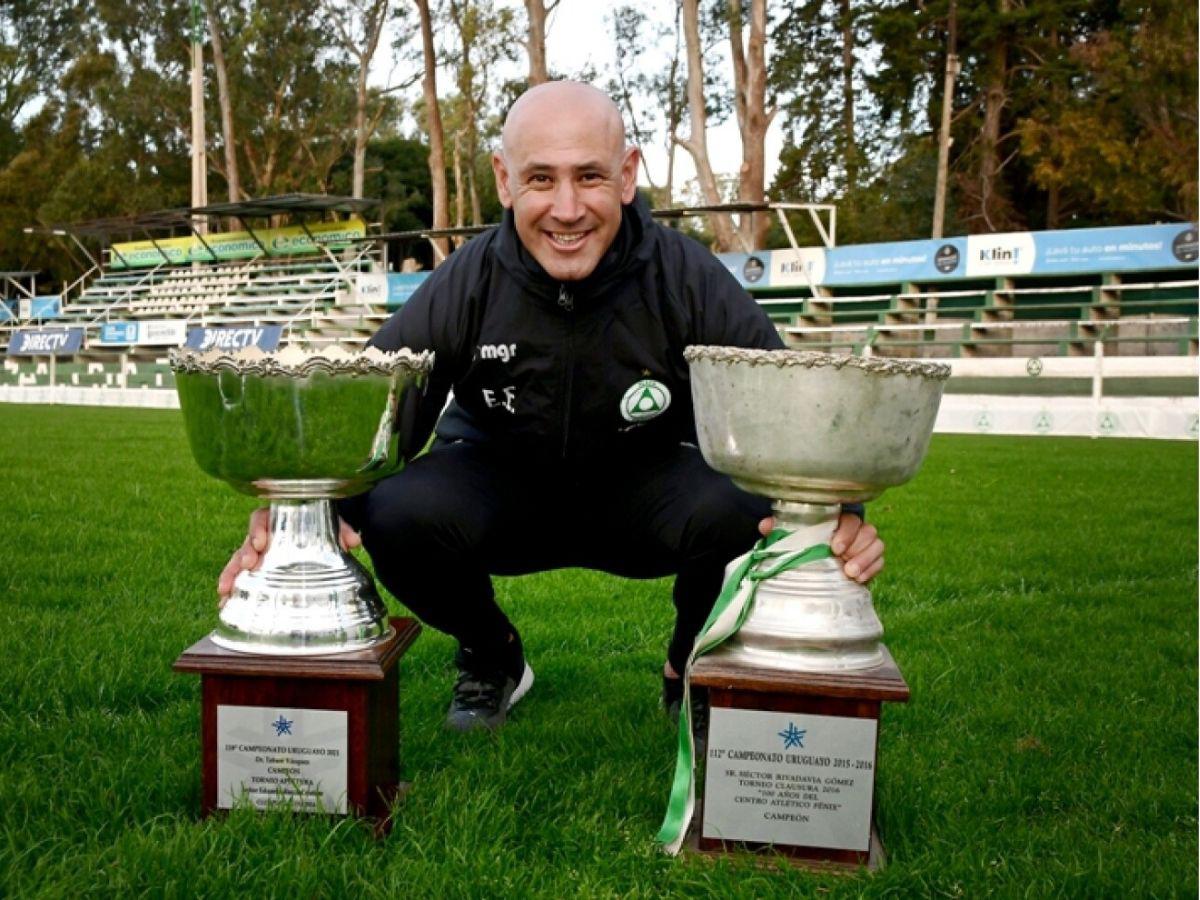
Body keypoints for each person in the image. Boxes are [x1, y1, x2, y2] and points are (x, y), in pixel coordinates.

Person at [219, 81, 884, 731]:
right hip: (501, 487)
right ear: (505, 182)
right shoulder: (469, 278)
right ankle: (493, 654)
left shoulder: (687, 275)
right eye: (541, 180)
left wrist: (839, 517)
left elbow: (787, 403)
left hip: (644, 489)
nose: (567, 209)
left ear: (627, 176)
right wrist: (301, 516)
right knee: (397, 511)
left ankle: (692, 662)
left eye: (589, 177)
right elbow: (375, 409)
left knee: (740, 508)